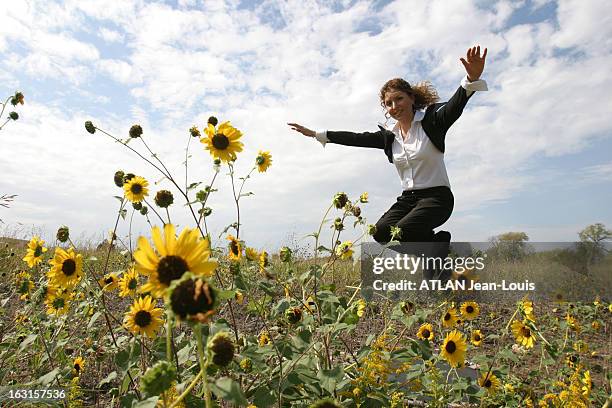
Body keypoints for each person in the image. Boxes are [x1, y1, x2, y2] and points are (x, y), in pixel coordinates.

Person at [288, 45, 488, 278]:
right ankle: (438, 251)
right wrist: (317, 134)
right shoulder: (389, 137)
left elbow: (455, 106)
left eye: (399, 99)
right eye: (388, 104)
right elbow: (355, 138)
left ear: (411, 97)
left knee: (401, 231)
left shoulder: (432, 121)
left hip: (437, 198)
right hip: (408, 200)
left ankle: (437, 251)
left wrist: (471, 78)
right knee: (382, 233)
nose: (394, 107)